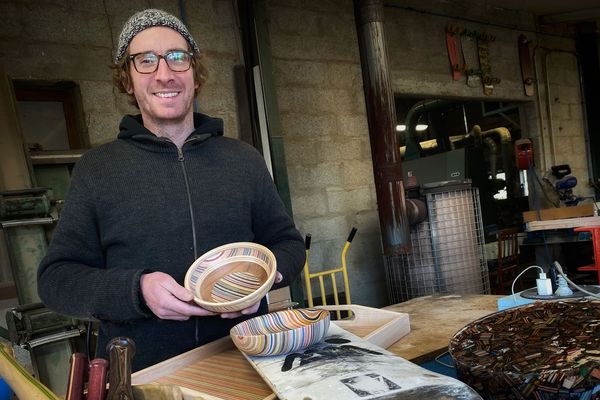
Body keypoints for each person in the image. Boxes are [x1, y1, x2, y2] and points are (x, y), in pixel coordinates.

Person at [37, 8, 305, 372]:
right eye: (146, 61)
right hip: (144, 375)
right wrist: (136, 291)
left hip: (245, 362)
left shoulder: (243, 159)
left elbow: (288, 245)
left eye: (177, 58)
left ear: (195, 74)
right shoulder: (97, 169)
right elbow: (56, 280)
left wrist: (266, 277)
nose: (164, 74)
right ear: (128, 80)